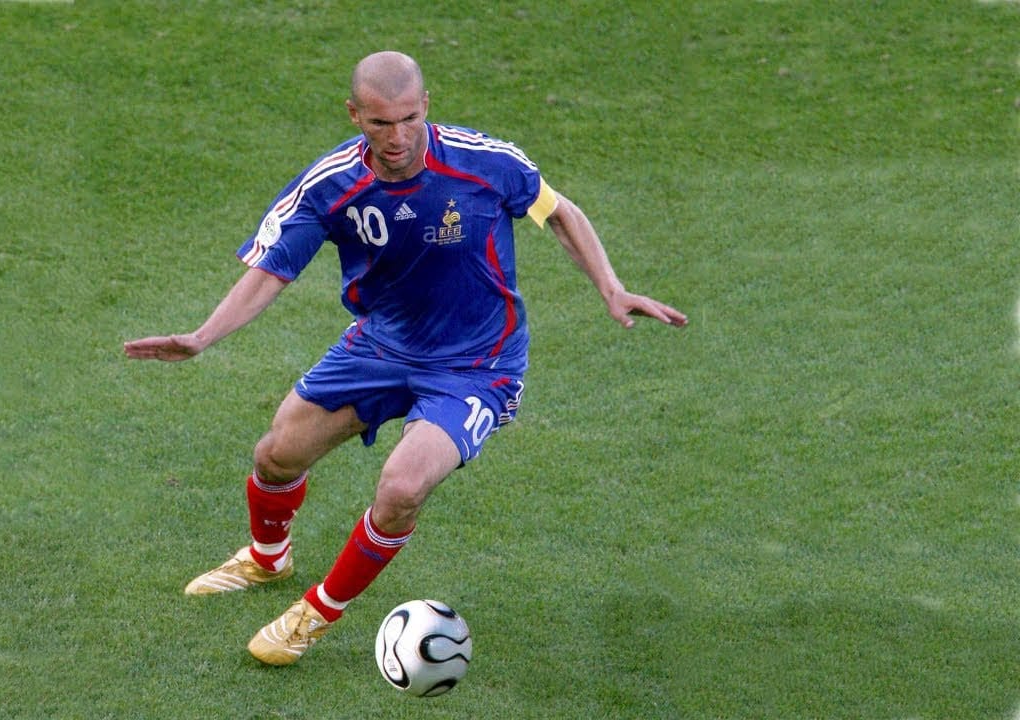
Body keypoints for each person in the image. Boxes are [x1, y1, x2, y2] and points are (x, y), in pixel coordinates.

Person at [123, 50, 687, 666]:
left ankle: (317, 612)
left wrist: (611, 287)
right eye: (379, 124)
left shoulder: (487, 163)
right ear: (354, 114)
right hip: (381, 344)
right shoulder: (331, 185)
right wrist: (203, 337)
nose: (397, 138)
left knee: (401, 486)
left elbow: (560, 213)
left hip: (478, 365)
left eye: (409, 119)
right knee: (276, 454)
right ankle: (266, 560)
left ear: (427, 106)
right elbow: (272, 271)